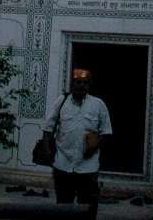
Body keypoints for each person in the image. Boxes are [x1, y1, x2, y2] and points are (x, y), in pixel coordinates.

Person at [41, 67, 112, 208]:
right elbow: (47, 129)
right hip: (62, 164)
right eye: (78, 82)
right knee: (63, 206)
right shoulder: (62, 101)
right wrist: (47, 151)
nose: (81, 86)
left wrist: (94, 147)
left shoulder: (98, 105)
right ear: (72, 84)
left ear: (89, 85)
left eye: (85, 83)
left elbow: (106, 133)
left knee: (87, 207)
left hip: (88, 167)